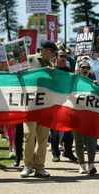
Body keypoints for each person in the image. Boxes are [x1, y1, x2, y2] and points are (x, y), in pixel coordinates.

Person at [20, 40, 57, 178]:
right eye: (53, 53)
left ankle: (39, 166)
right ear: (46, 51)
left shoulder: (52, 65)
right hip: (30, 104)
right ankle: (27, 165)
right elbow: (16, 72)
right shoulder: (29, 59)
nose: (54, 56)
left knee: (43, 138)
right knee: (29, 135)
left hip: (46, 106)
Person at [50, 49, 77, 163]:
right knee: (55, 132)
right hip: (54, 104)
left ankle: (68, 151)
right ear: (55, 57)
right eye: (61, 56)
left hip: (66, 104)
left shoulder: (69, 71)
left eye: (65, 56)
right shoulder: (51, 71)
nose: (64, 58)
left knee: (69, 130)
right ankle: (55, 154)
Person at [73, 59, 98, 175]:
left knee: (91, 141)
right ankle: (82, 165)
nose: (85, 69)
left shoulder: (93, 83)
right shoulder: (73, 82)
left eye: (88, 68)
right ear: (78, 69)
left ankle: (91, 164)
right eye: (83, 67)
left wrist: (97, 88)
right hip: (77, 115)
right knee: (78, 142)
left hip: (90, 116)